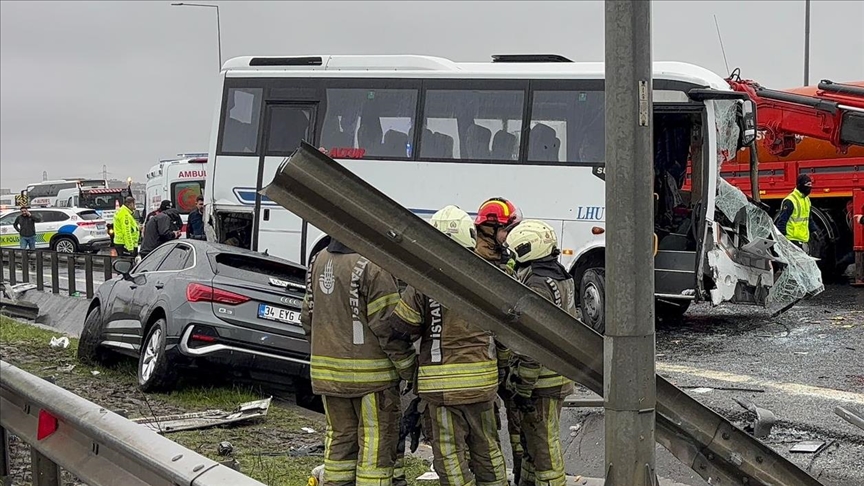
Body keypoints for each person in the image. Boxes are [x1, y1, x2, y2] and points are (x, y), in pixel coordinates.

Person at [378, 205, 508, 486]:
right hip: (483, 386)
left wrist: (412, 373)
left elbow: (399, 330)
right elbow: (507, 337)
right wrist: (502, 370)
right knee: (488, 450)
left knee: (450, 457)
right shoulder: (489, 278)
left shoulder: (425, 282)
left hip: (441, 392)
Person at [300, 238, 404, 486]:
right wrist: (408, 366)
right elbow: (389, 328)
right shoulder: (375, 265)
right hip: (372, 379)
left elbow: (307, 317)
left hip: (328, 376)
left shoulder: (319, 259)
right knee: (375, 445)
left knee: (339, 442)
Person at [504, 220, 577, 486]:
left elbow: (532, 344)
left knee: (544, 445)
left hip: (541, 379)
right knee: (535, 441)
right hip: (557, 373)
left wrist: (522, 387)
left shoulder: (535, 284)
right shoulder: (560, 275)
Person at [473, 197, 525, 482]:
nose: (509, 236)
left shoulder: (505, 266)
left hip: (506, 365)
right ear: (490, 230)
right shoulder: (479, 269)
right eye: (506, 229)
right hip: (488, 366)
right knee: (486, 436)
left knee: (519, 432)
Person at [775, 174, 816, 253]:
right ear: (800, 185)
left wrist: (813, 230)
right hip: (791, 239)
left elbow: (809, 218)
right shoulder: (790, 201)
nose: (810, 187)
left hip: (802, 239)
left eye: (811, 185)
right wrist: (782, 240)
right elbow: (782, 221)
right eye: (807, 185)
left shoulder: (806, 200)